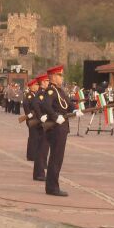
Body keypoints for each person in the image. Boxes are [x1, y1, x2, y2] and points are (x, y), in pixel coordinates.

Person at [44, 65, 83, 196]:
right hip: (56, 128)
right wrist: (55, 117)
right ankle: (52, 187)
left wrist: (75, 110)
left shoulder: (60, 91)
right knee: (55, 158)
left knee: (58, 158)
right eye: (60, 75)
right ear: (53, 77)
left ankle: (52, 186)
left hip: (62, 128)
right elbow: (46, 105)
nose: (62, 77)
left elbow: (68, 103)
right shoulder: (50, 90)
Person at [33, 74, 51, 181]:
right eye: (47, 81)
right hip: (42, 124)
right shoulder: (40, 93)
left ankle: (39, 172)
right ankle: (39, 173)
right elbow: (36, 104)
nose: (48, 82)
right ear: (42, 82)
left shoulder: (44, 93)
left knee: (44, 148)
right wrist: (41, 116)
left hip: (45, 123)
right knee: (42, 149)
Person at [23, 78, 39, 162]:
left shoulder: (34, 95)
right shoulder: (30, 95)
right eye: (36, 85)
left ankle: (32, 154)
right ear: (32, 86)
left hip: (35, 119)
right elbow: (25, 104)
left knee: (34, 137)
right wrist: (28, 113)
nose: (37, 86)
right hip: (32, 119)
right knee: (33, 137)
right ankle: (31, 155)